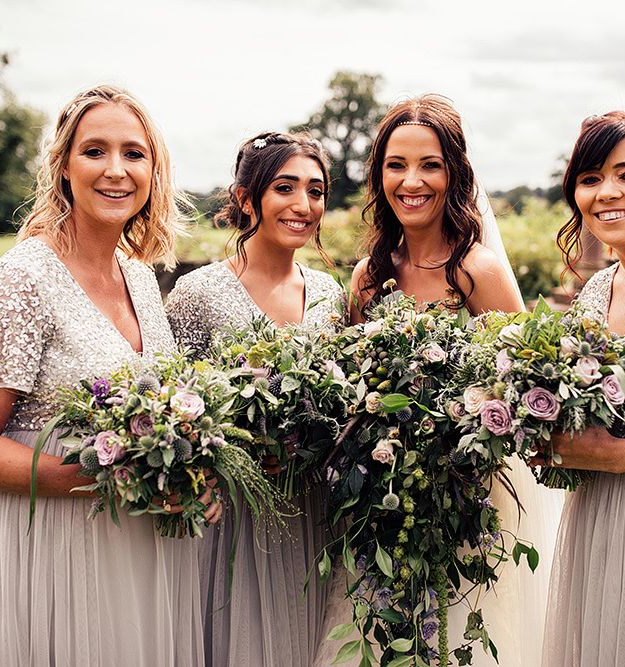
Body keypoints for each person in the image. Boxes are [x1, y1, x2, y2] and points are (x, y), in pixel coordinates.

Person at [0, 85, 220, 666]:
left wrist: (188, 475)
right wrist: (114, 478)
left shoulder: (141, 278)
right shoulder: (17, 282)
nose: (116, 170)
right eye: (95, 151)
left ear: (155, 170)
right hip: (50, 548)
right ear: (63, 167)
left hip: (139, 548)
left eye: (134, 153)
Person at [318, 95, 563, 666]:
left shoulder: (479, 271)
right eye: (396, 165)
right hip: (381, 512)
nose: (412, 181)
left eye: (429, 164)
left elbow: (525, 391)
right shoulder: (370, 276)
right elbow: (355, 394)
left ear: (453, 174)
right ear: (379, 176)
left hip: (467, 508)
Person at [165, 131, 345, 666]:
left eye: (316, 191)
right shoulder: (197, 295)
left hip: (314, 510)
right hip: (234, 519)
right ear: (246, 198)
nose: (303, 205)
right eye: (284, 188)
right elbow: (178, 411)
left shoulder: (331, 295)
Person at [539, 111, 625, 667]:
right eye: (590, 178)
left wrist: (612, 456)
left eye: (624, 174)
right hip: (595, 521)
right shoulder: (596, 291)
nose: (606, 192)